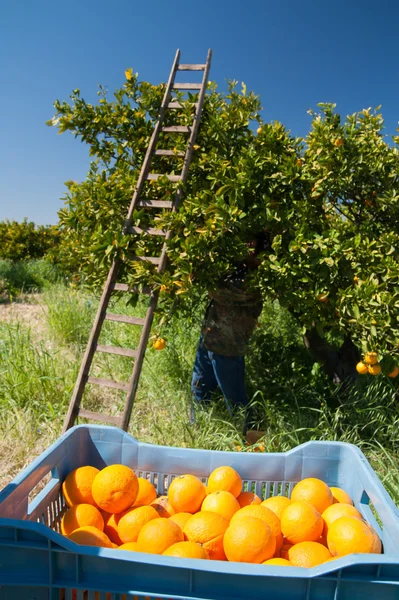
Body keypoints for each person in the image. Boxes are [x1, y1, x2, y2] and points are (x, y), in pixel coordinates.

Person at [190, 231, 270, 431]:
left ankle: (249, 437)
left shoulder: (255, 281)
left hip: (228, 346)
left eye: (253, 244)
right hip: (209, 338)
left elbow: (219, 291)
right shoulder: (237, 269)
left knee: (234, 397)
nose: (247, 247)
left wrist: (199, 267)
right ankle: (197, 430)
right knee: (199, 388)